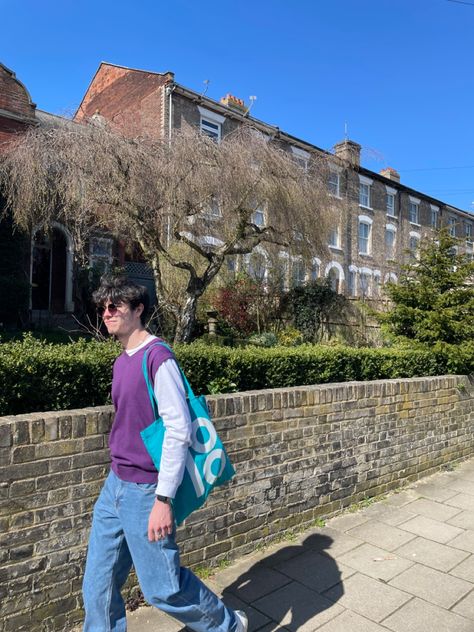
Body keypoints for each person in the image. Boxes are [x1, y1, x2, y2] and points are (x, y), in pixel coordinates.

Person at [82, 275, 247, 632]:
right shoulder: (122, 360)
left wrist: (163, 499)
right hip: (116, 486)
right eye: (103, 307)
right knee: (97, 585)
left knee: (163, 589)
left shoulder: (157, 358)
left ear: (138, 309)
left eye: (115, 306)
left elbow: (179, 430)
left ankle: (228, 626)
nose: (107, 313)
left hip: (146, 490)